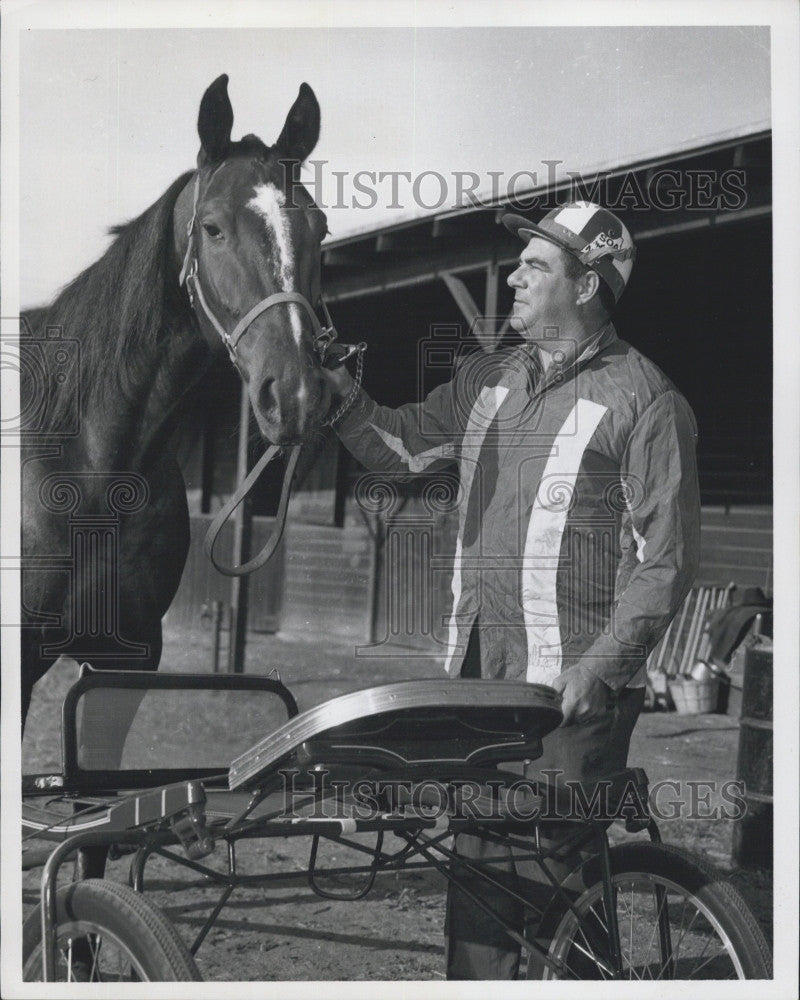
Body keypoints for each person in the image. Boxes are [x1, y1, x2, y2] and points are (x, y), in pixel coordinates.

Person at [322, 200, 701, 978]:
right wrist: (331, 392)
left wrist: (599, 669)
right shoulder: (489, 380)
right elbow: (400, 449)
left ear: (586, 283)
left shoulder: (648, 401)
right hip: (477, 690)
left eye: (535, 266)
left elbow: (665, 561)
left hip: (569, 701)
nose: (512, 276)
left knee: (560, 904)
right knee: (483, 898)